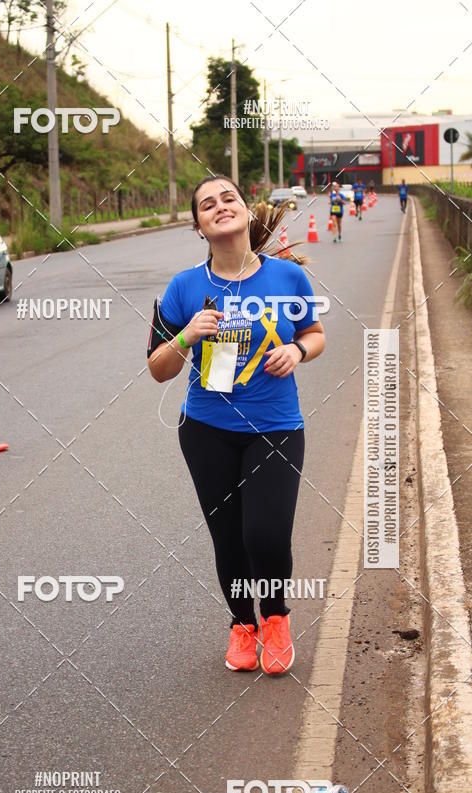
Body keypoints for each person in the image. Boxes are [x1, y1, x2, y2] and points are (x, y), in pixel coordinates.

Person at [147, 175, 325, 675]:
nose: (220, 207)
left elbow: (315, 333)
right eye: (208, 204)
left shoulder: (288, 279)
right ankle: (242, 625)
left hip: (276, 426)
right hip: (206, 430)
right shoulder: (184, 288)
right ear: (199, 226)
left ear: (247, 212)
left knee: (265, 536)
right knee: (228, 538)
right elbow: (158, 367)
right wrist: (185, 336)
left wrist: (296, 349)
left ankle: (276, 618)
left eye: (229, 198)